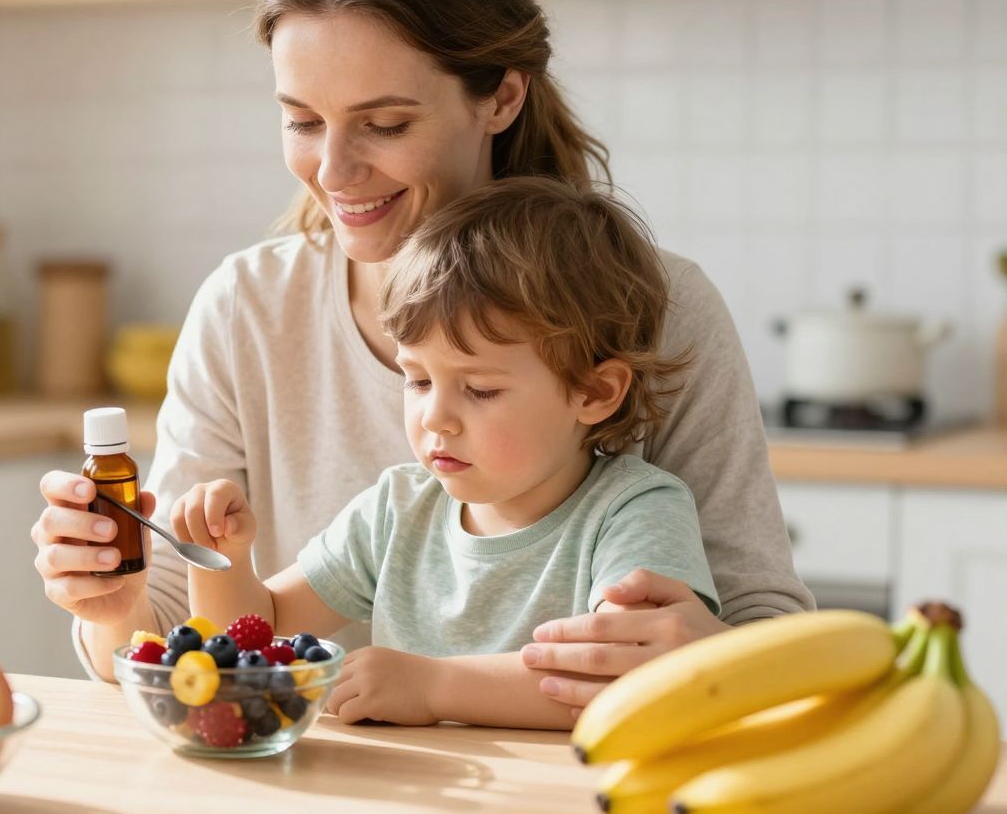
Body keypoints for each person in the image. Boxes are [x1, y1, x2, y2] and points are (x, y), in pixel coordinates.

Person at [30, 0, 813, 696]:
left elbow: (769, 633)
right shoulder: (248, 311)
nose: (333, 172)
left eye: (387, 124)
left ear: (501, 97)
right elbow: (185, 641)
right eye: (302, 121)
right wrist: (110, 607)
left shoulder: (658, 310)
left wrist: (708, 654)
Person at [167, 178, 718, 728]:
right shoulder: (397, 510)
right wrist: (224, 560)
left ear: (594, 392)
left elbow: (626, 680)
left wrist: (434, 687)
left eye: (480, 389)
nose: (435, 417)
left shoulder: (636, 510)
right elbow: (251, 637)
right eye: (418, 380)